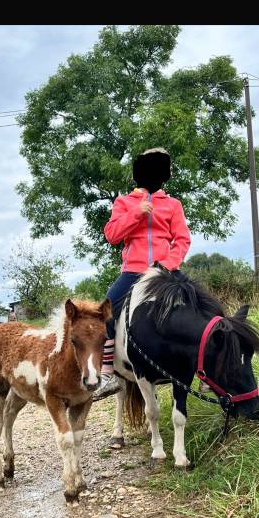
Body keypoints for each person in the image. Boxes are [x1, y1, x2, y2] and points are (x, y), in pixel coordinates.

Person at [92, 147, 191, 401]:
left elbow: (182, 240)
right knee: (106, 311)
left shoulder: (172, 204)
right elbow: (112, 235)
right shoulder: (124, 203)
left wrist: (167, 264)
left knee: (200, 305)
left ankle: (203, 370)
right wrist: (137, 213)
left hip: (164, 272)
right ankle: (107, 373)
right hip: (132, 272)